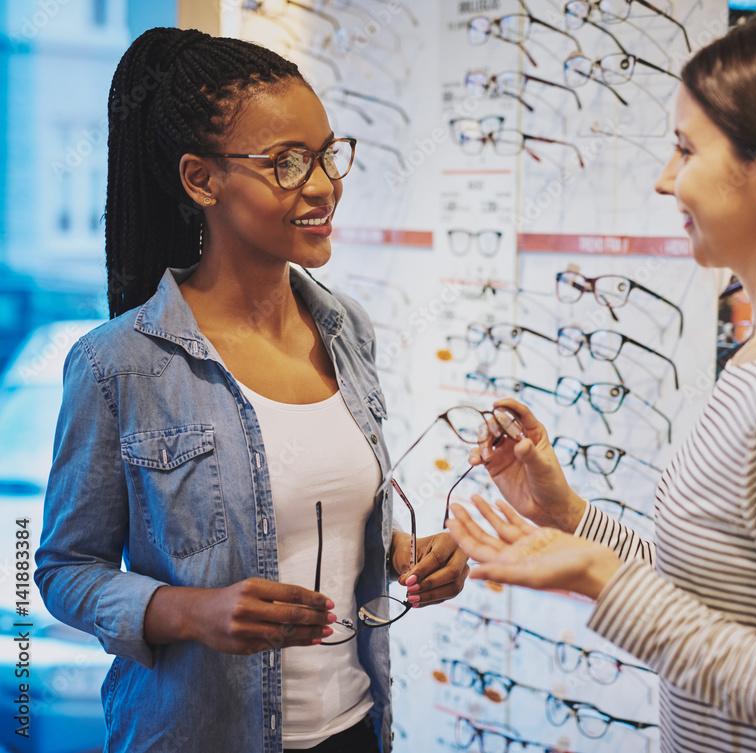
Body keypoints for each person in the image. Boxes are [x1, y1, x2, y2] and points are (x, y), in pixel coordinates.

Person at [447, 9, 756, 753]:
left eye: (684, 149)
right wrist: (574, 520)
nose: (663, 180)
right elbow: (724, 601)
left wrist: (604, 580)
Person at [34, 28, 469, 753]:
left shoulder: (344, 329)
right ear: (201, 180)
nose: (324, 183)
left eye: (328, 153)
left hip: (356, 728)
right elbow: (61, 572)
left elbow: (311, 514)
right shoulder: (118, 365)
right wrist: (188, 612)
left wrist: (404, 553)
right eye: (287, 163)